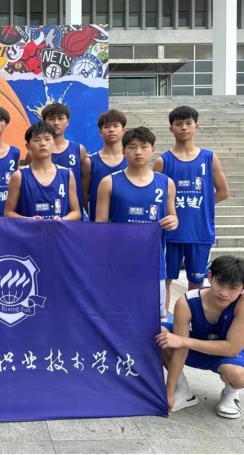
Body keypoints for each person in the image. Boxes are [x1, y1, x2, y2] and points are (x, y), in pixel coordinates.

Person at [156, 256, 244, 419]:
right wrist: (169, 392)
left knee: (237, 375)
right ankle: (183, 391)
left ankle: (231, 393)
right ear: (210, 277)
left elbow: (232, 349)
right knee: (159, 333)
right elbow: (180, 349)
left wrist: (183, 341)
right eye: (220, 283)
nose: (224, 293)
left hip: (224, 352)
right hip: (196, 347)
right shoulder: (187, 302)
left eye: (233, 287)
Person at [95, 126, 178, 318]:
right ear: (123, 151)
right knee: (117, 314)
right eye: (132, 147)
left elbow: (173, 217)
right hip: (118, 262)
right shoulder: (109, 182)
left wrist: (173, 221)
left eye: (144, 146)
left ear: (153, 150)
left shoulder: (166, 183)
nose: (138, 152)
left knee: (153, 318)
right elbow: (99, 227)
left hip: (153, 262)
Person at [153, 106, 230, 313]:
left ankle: (192, 319)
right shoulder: (163, 161)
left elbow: (223, 191)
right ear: (171, 129)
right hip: (170, 234)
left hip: (200, 232)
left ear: (196, 126)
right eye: (179, 124)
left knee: (196, 282)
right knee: (164, 280)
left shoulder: (209, 158)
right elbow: (154, 195)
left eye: (188, 123)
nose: (184, 128)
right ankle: (162, 320)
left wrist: (202, 205)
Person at [4, 122, 81, 221]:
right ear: (28, 146)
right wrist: (29, 220)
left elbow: (76, 212)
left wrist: (62, 220)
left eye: (47, 139)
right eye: (37, 140)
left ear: (54, 144)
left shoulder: (67, 174)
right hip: (29, 231)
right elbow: (8, 212)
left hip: (58, 230)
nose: (42, 144)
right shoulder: (19, 176)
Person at [41, 103, 88, 219]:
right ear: (44, 121)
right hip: (44, 214)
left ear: (67, 122)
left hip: (73, 215)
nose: (56, 123)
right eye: (51, 119)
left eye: (60, 118)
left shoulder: (79, 150)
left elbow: (85, 187)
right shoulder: (35, 153)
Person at [83, 109, 128, 221]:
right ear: (100, 132)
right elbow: (84, 194)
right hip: (98, 223)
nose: (111, 130)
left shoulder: (130, 160)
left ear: (124, 130)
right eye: (107, 126)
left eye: (115, 126)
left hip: (125, 223)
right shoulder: (90, 162)